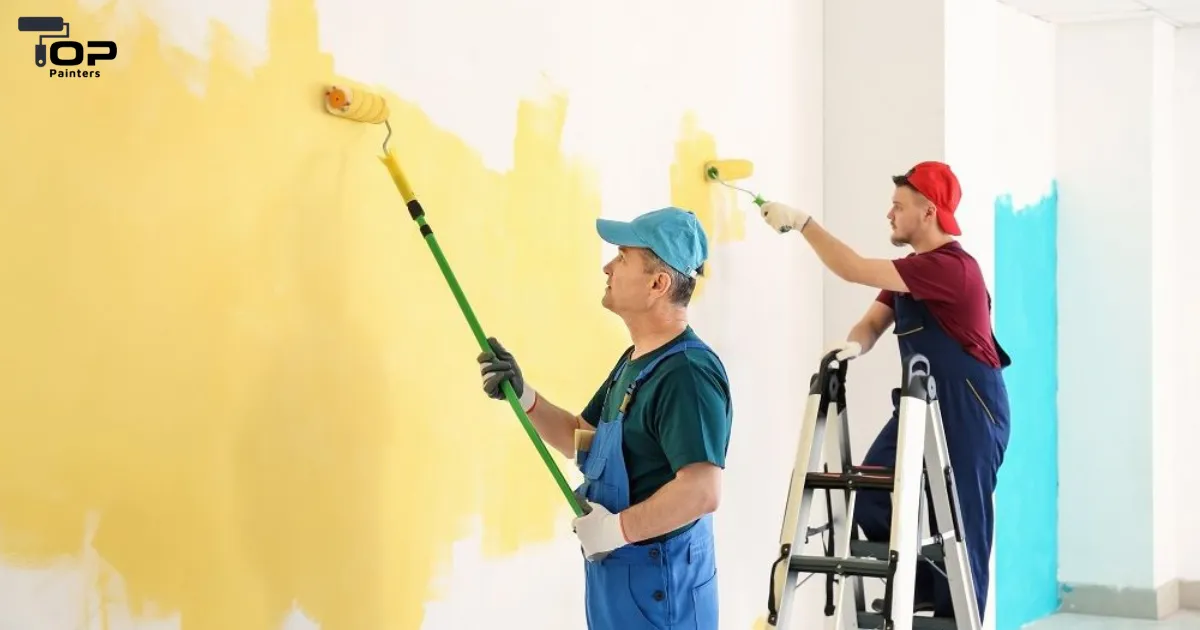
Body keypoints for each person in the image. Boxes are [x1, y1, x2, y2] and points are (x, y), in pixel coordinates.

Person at [758, 161, 1011, 621]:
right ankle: (919, 586)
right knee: (872, 490)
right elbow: (874, 322)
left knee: (962, 520)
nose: (889, 215)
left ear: (928, 212)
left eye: (898, 206)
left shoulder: (952, 269)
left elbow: (853, 269)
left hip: (969, 405)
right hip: (919, 405)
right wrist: (851, 346)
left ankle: (955, 614)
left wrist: (803, 224)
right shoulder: (912, 272)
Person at [476, 206, 733, 630]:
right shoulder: (637, 361)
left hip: (660, 593)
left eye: (622, 256)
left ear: (658, 283)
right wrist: (524, 396)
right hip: (623, 585)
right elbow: (584, 435)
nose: (607, 266)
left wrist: (617, 531)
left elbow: (702, 491)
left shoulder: (687, 374)